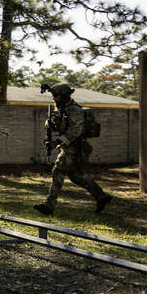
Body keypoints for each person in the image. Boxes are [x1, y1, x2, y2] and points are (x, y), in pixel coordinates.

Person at [34, 83, 113, 216]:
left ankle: (49, 206)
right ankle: (101, 197)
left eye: (56, 96)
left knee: (57, 171)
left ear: (63, 96)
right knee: (76, 176)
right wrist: (50, 123)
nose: (53, 99)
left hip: (75, 147)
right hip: (68, 146)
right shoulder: (62, 108)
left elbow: (76, 130)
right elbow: (56, 124)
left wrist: (58, 142)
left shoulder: (74, 110)